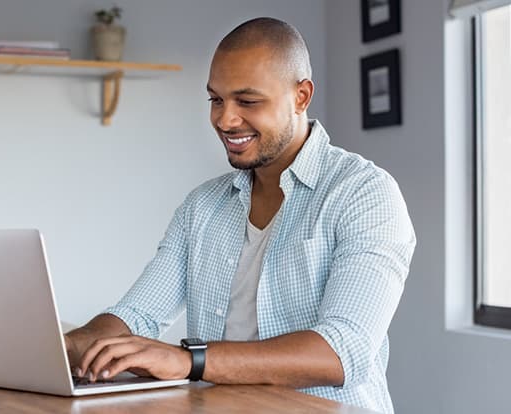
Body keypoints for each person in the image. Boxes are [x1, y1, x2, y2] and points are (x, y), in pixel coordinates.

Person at [65, 17, 415, 414]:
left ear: (301, 96)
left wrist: (190, 360)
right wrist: (70, 344)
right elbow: (137, 315)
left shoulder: (363, 193)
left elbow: (342, 351)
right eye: (216, 99)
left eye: (247, 102)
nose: (225, 120)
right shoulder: (202, 207)